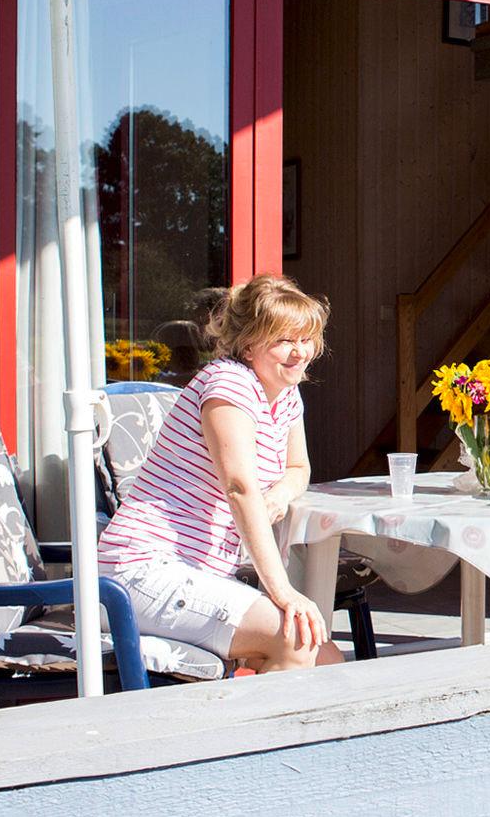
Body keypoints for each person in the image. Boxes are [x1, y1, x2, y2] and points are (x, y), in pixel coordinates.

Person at [99, 274, 344, 675]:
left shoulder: (285, 391)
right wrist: (283, 592)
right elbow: (239, 486)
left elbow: (299, 468)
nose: (300, 352)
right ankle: (255, 738)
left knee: (329, 661)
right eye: (284, 340)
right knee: (296, 638)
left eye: (306, 338)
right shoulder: (227, 385)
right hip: (139, 572)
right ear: (248, 345)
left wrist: (280, 493)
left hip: (194, 573)